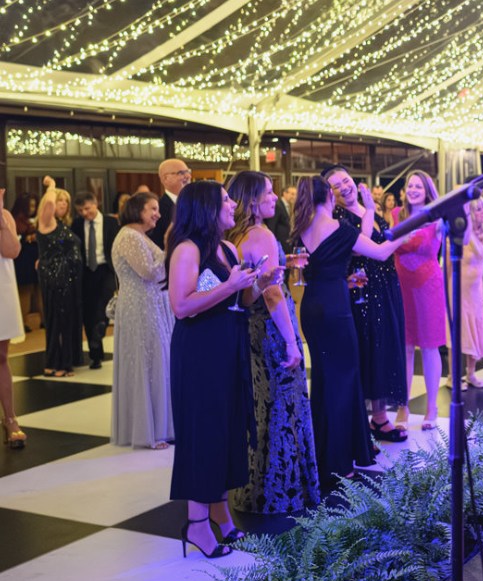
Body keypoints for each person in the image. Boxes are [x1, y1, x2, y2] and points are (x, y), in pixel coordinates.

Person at [168, 181, 276, 559]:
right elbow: (181, 306)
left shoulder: (228, 248)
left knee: (228, 431)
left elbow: (240, 301)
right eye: (226, 200)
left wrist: (259, 284)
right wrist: (230, 285)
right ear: (207, 208)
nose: (233, 204)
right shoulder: (187, 249)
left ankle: (221, 516)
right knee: (204, 434)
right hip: (199, 353)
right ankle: (197, 524)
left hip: (229, 347)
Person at [293, 175, 405, 489]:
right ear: (329, 197)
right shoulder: (339, 228)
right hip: (336, 309)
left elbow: (329, 265)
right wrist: (405, 234)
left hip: (312, 306)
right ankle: (340, 463)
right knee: (343, 382)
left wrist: (346, 278)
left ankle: (326, 455)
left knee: (325, 382)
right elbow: (378, 252)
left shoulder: (302, 227)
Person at [227, 172, 320, 513]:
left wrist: (284, 262)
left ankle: (256, 488)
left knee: (260, 406)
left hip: (249, 329)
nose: (275, 197)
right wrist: (293, 342)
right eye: (268, 192)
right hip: (272, 328)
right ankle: (282, 491)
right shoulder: (262, 234)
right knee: (284, 405)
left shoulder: (234, 235)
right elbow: (273, 294)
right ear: (252, 199)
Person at [323, 166, 408, 443]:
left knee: (383, 347)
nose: (344, 187)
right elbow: (365, 245)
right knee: (367, 349)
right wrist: (375, 213)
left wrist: (371, 209)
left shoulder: (366, 209)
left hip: (385, 286)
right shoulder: (337, 216)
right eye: (336, 185)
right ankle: (362, 424)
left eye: (346, 180)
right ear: (329, 193)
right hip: (362, 289)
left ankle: (380, 417)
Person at [111, 193, 174, 449]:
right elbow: (149, 272)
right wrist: (168, 247)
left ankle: (158, 426)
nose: (158, 214)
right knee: (146, 362)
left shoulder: (139, 236)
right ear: (138, 210)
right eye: (153, 209)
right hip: (139, 307)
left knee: (156, 361)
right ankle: (149, 432)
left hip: (149, 305)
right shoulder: (129, 236)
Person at [393, 170, 447, 431]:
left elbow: (462, 239)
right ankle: (402, 406)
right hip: (400, 284)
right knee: (403, 347)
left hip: (428, 286)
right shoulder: (396, 215)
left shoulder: (436, 219)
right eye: (410, 186)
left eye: (418, 186)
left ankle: (432, 407)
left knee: (429, 346)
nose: (413, 190)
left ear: (427, 192)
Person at [36, 178, 83, 377]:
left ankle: (62, 361)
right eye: (59, 200)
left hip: (66, 278)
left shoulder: (62, 224)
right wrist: (52, 186)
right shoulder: (47, 221)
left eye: (65, 201)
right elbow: (48, 203)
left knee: (64, 320)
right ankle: (57, 363)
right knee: (58, 320)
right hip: (57, 278)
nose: (62, 204)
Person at [72, 191, 119, 370]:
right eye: (80, 211)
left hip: (106, 269)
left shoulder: (111, 222)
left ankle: (101, 327)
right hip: (85, 272)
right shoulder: (77, 225)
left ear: (95, 204)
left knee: (104, 303)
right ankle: (95, 354)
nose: (85, 213)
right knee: (89, 312)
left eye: (87, 208)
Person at [0, 190, 26, 449]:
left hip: (1, 290)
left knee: (1, 356)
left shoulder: (5, 215)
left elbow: (12, 250)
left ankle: (10, 418)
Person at [460, 197, 483, 388]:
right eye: (478, 209)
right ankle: (453, 376)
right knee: (463, 331)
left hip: (475, 289)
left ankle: (471, 373)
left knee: (475, 329)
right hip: (462, 290)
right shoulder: (465, 234)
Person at [11, 194, 40, 332]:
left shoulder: (36, 220)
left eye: (34, 205)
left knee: (39, 290)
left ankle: (43, 319)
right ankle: (21, 322)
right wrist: (27, 237)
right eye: (30, 205)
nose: (33, 208)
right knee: (25, 291)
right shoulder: (15, 220)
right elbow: (14, 238)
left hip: (35, 258)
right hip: (22, 260)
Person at [150, 158, 192, 248]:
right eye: (181, 173)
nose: (188, 176)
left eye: (188, 172)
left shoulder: (195, 204)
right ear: (166, 178)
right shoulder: (158, 209)